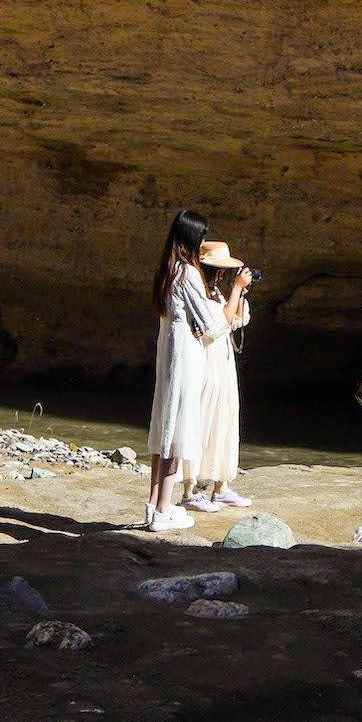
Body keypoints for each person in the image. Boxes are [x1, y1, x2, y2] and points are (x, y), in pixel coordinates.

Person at [142, 208, 214, 529]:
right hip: (185, 357)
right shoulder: (188, 273)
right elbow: (210, 323)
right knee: (176, 431)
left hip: (168, 353)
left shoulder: (166, 271)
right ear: (191, 238)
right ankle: (162, 511)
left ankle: (154, 503)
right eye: (202, 236)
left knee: (163, 427)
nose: (204, 242)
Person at [186, 245, 254, 511]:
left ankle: (221, 487)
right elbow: (214, 328)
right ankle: (189, 489)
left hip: (223, 366)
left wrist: (240, 296)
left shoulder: (214, 293)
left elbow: (235, 322)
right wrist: (236, 289)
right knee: (202, 422)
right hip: (207, 364)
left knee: (224, 421)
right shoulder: (199, 293)